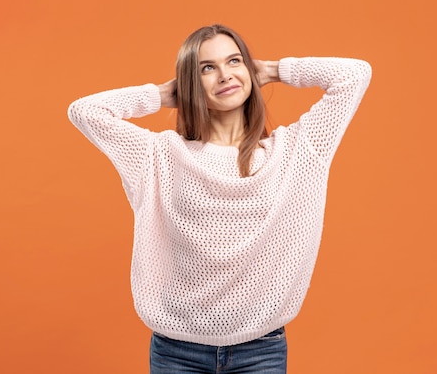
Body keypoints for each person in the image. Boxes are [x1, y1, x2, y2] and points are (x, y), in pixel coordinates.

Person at [67, 24, 372, 373]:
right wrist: (163, 94)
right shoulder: (158, 155)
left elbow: (355, 74)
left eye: (234, 61)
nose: (225, 75)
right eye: (206, 68)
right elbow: (84, 111)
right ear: (191, 82)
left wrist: (272, 70)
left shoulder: (297, 151)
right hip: (176, 352)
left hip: (261, 351)